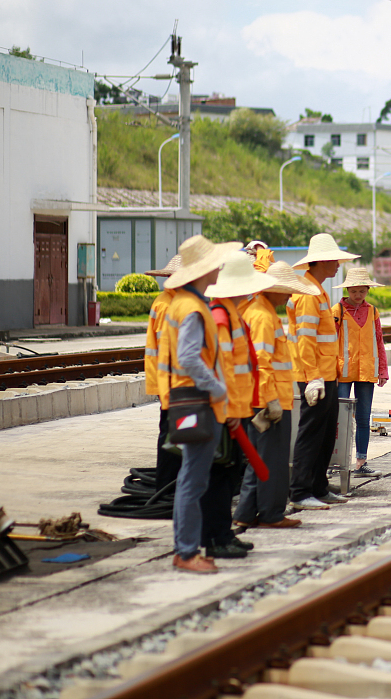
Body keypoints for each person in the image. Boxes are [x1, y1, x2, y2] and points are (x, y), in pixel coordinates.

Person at [157, 235, 242, 573]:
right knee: (193, 480)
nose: (219, 267)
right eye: (214, 263)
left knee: (193, 478)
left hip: (192, 400)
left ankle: (187, 547)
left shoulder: (185, 303)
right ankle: (187, 550)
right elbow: (190, 357)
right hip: (198, 401)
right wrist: (217, 387)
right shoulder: (192, 308)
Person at [200, 251, 277, 558]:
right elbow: (221, 368)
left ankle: (223, 534)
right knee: (219, 479)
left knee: (229, 476)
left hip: (237, 409)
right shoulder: (221, 317)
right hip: (225, 411)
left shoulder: (233, 315)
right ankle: (216, 539)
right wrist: (229, 412)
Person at [233, 261, 314, 530]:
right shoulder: (263, 317)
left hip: (264, 399)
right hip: (269, 401)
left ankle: (246, 513)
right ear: (271, 289)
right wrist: (270, 401)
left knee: (259, 459)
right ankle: (271, 514)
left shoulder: (261, 311)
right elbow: (261, 362)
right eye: (286, 290)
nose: (290, 296)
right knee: (273, 461)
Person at [288, 233, 361, 511]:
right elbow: (305, 339)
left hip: (327, 375)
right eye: (335, 261)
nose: (338, 266)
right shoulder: (307, 293)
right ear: (321, 262)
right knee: (312, 432)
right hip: (314, 376)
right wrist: (313, 376)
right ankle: (300, 490)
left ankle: (318, 486)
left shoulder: (316, 289)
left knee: (326, 432)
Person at [332, 267, 390, 477]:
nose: (358, 295)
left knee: (363, 418)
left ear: (367, 290)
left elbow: (379, 341)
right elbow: (330, 344)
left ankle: (361, 462)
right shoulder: (337, 311)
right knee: (339, 418)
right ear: (347, 289)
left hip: (366, 372)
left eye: (362, 291)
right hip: (342, 373)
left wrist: (382, 370)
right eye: (354, 291)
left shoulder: (373, 311)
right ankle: (336, 461)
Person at [144, 254, 182, 496]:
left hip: (171, 384)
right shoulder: (168, 305)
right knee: (170, 441)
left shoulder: (170, 302)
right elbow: (172, 352)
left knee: (173, 438)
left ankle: (169, 490)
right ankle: (166, 493)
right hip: (172, 386)